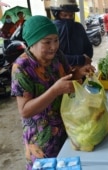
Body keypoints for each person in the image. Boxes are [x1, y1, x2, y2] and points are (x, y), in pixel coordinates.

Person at [10, 15, 95, 170]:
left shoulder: (58, 56)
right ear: (33, 42)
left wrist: (80, 73)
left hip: (68, 129)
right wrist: (55, 91)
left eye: (56, 40)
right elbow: (25, 111)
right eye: (47, 42)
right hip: (42, 142)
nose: (53, 46)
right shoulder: (22, 67)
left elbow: (69, 78)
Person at [50, 0, 93, 66]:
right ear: (56, 14)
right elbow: (53, 56)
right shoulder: (52, 29)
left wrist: (86, 59)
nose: (68, 18)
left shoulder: (79, 27)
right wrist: (80, 59)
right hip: (60, 73)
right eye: (64, 15)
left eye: (71, 15)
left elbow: (88, 48)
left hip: (81, 71)